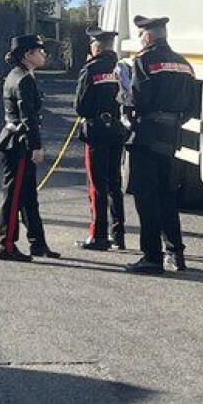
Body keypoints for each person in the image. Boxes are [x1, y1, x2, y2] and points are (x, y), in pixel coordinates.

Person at [124, 16, 197, 275]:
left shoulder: (144, 61)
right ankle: (175, 254)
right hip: (171, 136)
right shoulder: (184, 64)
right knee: (167, 197)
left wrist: (128, 108)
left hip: (147, 135)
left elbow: (138, 99)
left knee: (146, 198)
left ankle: (151, 257)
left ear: (148, 36)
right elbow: (192, 106)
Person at [0, 34, 61, 262]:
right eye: (39, 50)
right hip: (18, 144)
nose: (43, 54)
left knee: (29, 196)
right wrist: (36, 146)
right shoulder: (22, 79)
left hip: (19, 141)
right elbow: (28, 118)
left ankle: (37, 243)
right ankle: (7, 245)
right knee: (14, 197)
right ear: (27, 54)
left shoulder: (23, 75)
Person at [74, 27, 127, 251]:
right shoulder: (122, 69)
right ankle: (118, 234)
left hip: (96, 131)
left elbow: (80, 106)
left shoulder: (91, 69)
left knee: (97, 185)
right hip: (117, 128)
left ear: (95, 47)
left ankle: (98, 236)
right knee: (115, 183)